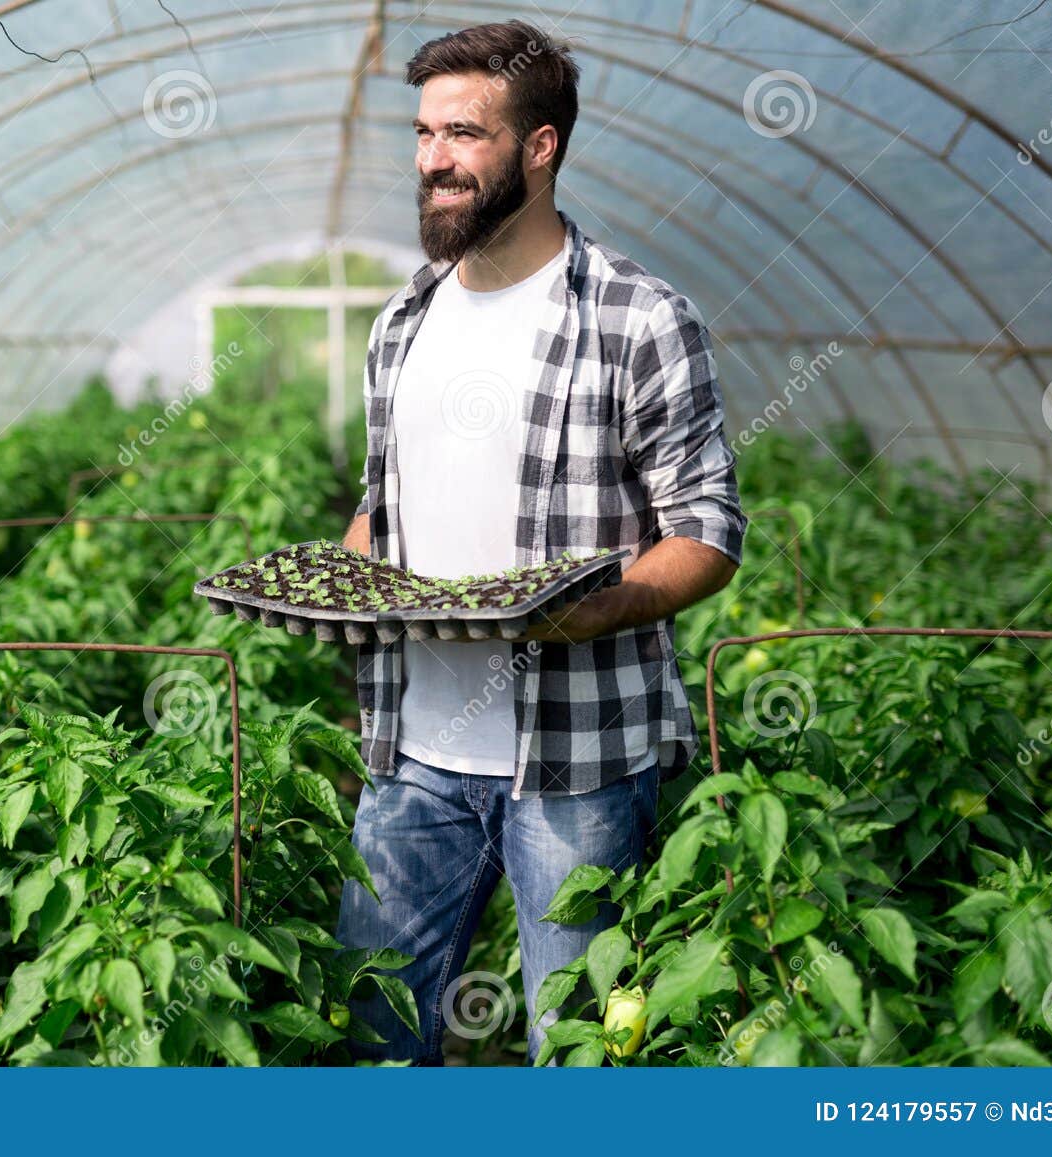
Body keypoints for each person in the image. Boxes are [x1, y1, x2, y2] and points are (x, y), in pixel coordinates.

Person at [335, 19, 747, 1065]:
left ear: (540, 146)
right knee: (369, 1027)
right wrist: (340, 578)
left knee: (574, 1045)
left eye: (464, 133)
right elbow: (380, 508)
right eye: (425, 133)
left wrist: (597, 607)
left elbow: (706, 529)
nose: (433, 158)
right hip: (410, 756)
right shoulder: (402, 322)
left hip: (576, 762)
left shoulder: (637, 317)